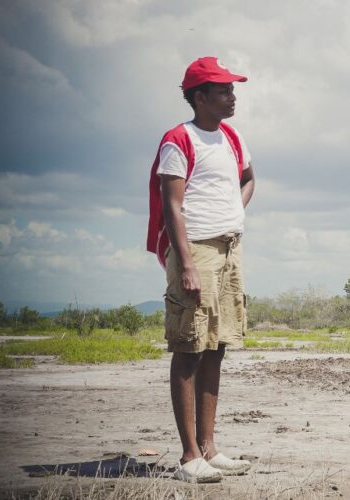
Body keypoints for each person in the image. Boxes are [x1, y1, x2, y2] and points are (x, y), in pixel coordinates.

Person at [145, 57, 255, 483]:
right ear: (199, 96)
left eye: (232, 89)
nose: (232, 97)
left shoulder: (231, 136)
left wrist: (233, 213)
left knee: (217, 346)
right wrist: (186, 263)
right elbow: (172, 206)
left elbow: (249, 177)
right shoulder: (179, 139)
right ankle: (189, 455)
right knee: (189, 348)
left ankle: (210, 449)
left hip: (230, 249)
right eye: (224, 90)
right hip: (196, 253)